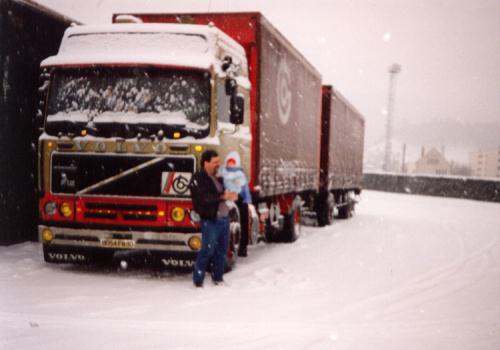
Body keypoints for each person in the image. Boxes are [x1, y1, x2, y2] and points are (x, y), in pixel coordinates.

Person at [189, 150, 237, 287]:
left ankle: (218, 278)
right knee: (207, 250)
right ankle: (198, 281)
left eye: (219, 161)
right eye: (215, 162)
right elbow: (204, 198)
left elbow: (225, 192)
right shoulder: (198, 178)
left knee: (221, 251)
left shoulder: (219, 177)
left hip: (224, 219)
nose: (218, 164)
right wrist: (222, 197)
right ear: (206, 163)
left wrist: (231, 195)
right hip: (210, 220)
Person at [219, 151, 252, 257]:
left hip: (239, 200)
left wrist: (246, 198)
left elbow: (245, 188)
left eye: (233, 163)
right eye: (229, 162)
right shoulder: (222, 172)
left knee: (244, 221)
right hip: (226, 199)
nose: (231, 165)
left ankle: (243, 246)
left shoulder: (240, 174)